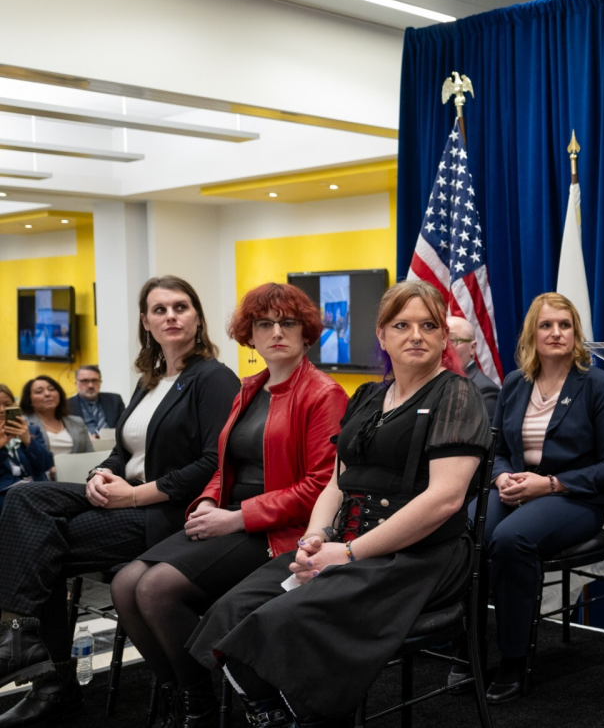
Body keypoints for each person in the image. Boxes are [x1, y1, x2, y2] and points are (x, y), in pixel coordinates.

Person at [186, 280, 491, 728]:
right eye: (401, 325)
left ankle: (306, 714)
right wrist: (314, 539)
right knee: (229, 612)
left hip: (420, 556)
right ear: (382, 335)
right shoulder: (367, 396)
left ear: (445, 337)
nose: (416, 335)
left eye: (429, 325)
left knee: (282, 621)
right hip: (343, 541)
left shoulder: (457, 395)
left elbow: (444, 501)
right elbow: (335, 484)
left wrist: (346, 555)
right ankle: (278, 712)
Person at [0, 276, 239, 728]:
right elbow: (123, 450)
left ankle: (43, 675)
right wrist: (99, 475)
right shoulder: (150, 380)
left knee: (35, 548)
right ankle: (32, 658)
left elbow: (213, 462)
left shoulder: (213, 377)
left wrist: (134, 495)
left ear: (197, 317)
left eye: (181, 307)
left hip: (165, 512)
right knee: (25, 498)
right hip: (122, 498)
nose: (170, 316)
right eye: (160, 309)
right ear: (146, 322)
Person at [111, 283, 347, 728]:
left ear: (306, 331)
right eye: (264, 324)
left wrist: (237, 516)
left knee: (155, 590)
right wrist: (205, 502)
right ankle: (182, 693)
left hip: (277, 532)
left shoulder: (323, 393)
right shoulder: (249, 388)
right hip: (228, 520)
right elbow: (222, 465)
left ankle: (199, 706)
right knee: (125, 583)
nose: (276, 332)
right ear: (250, 335)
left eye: (288, 322)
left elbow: (320, 486)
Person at [473, 292, 604, 704]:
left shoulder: (598, 385)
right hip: (517, 487)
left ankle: (512, 659)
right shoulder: (513, 383)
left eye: (565, 325)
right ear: (533, 334)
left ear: (576, 333)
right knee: (468, 528)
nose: (556, 332)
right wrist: (503, 475)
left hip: (577, 499)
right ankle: (466, 647)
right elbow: (498, 449)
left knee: (510, 541)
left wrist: (551, 484)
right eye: (546, 325)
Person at [0, 384, 54, 514]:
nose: (2, 409)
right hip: (5, 494)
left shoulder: (32, 430)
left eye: (7, 404)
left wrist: (28, 440)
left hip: (37, 488)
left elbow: (45, 465)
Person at [21, 376, 93, 457]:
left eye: (51, 389)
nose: (47, 394)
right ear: (29, 400)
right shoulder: (24, 424)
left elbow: (90, 454)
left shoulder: (76, 421)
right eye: (39, 391)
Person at [448, 315, 499, 417]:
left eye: (451, 340)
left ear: (472, 348)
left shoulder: (483, 390)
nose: (444, 347)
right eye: (441, 341)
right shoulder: (433, 382)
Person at [66, 366, 126, 438]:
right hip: (84, 447)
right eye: (85, 381)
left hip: (112, 444)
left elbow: (124, 427)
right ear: (76, 383)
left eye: (94, 381)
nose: (90, 385)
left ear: (100, 382)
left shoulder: (114, 400)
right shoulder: (66, 405)